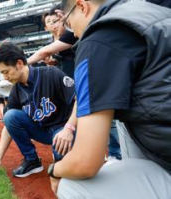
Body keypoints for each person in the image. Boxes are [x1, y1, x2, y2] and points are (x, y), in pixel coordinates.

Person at [49, 0, 171, 198]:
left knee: (71, 185)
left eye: (69, 24)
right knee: (124, 121)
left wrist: (53, 170)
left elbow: (85, 162)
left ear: (81, 6)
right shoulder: (155, 10)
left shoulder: (97, 38)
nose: (73, 33)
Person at [0, 42, 76, 178]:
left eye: (6, 72)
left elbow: (80, 100)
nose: (5, 77)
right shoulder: (16, 91)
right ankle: (32, 161)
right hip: (42, 132)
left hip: (64, 129)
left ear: (19, 63)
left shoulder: (51, 73)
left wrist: (69, 129)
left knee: (64, 169)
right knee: (10, 116)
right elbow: (9, 124)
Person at [28, 4, 78, 78]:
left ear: (63, 17)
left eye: (54, 21)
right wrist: (53, 62)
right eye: (49, 22)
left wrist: (24, 63)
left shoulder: (71, 33)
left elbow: (45, 52)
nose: (53, 25)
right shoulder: (49, 42)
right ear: (45, 28)